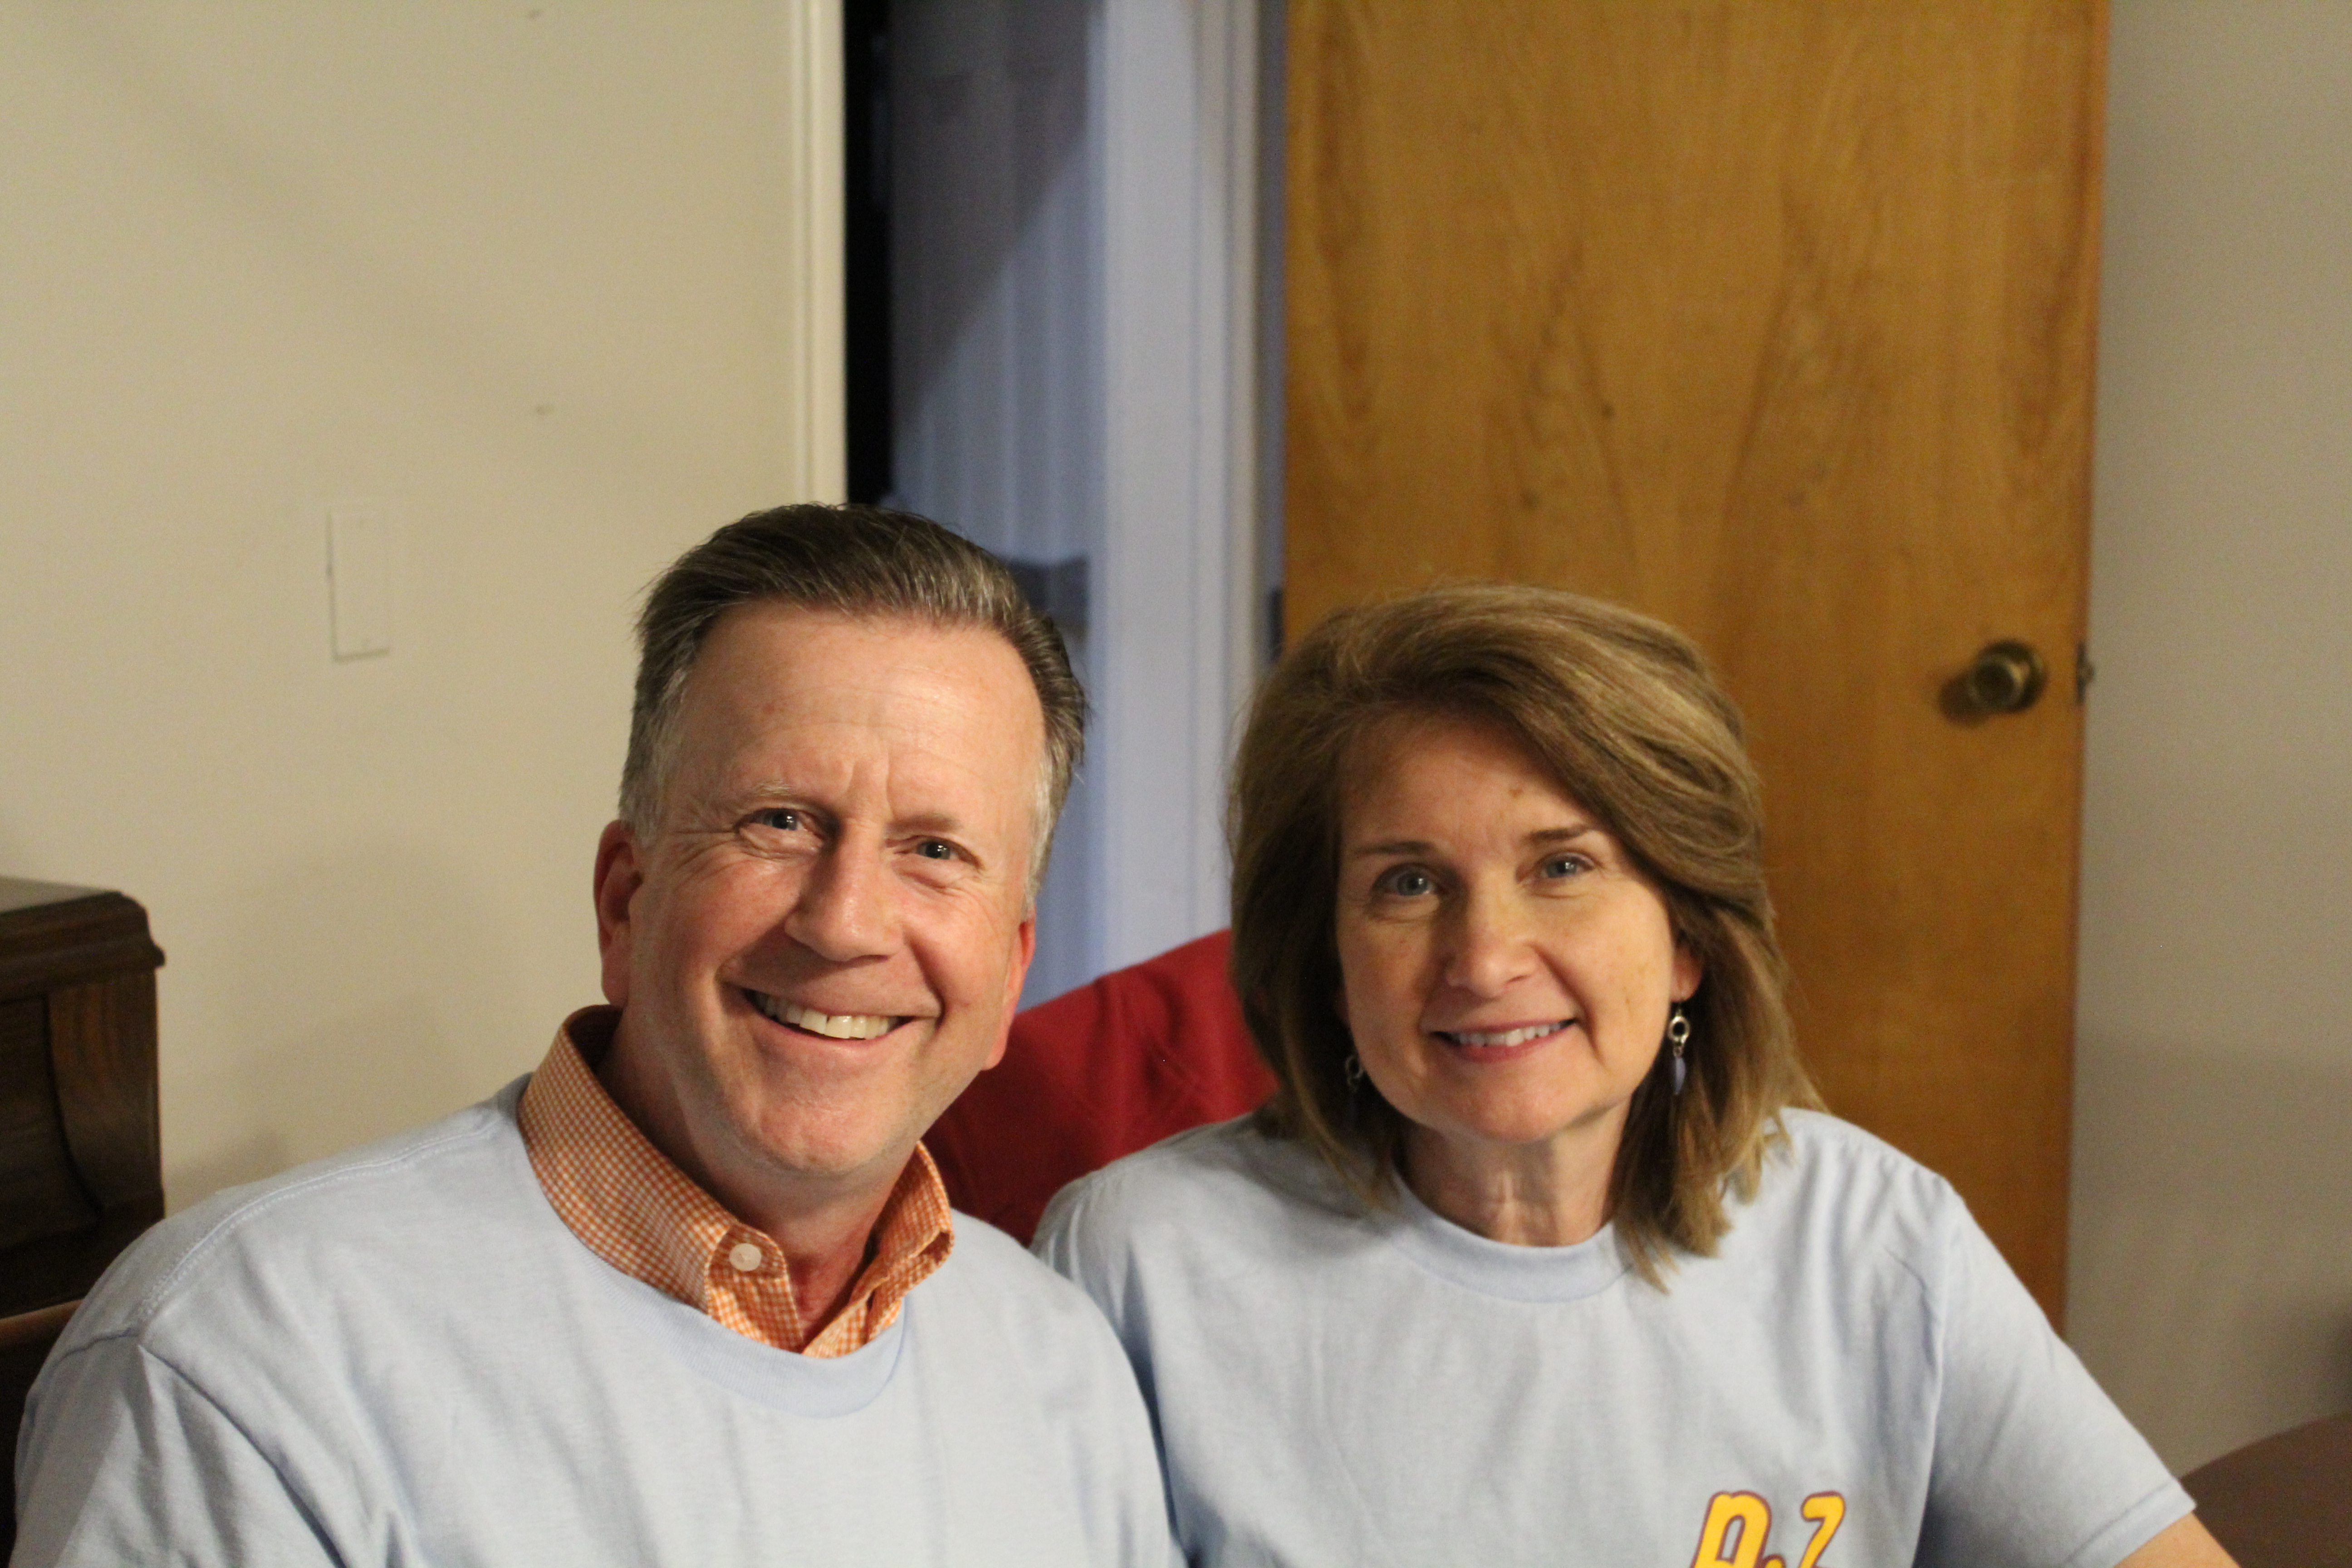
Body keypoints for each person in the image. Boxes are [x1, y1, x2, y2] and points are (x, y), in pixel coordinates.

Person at [15, 505, 1179, 1566]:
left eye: (935, 851)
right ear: (626, 902)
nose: (846, 923)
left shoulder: (1059, 1365)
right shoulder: (246, 1355)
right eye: (778, 822)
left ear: (1011, 974)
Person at [1037, 583, 2236, 1568]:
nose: (1488, 958)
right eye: (1407, 882)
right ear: (1326, 958)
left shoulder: (1874, 1239)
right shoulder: (1139, 1260)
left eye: (1563, 866)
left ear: (1688, 941)